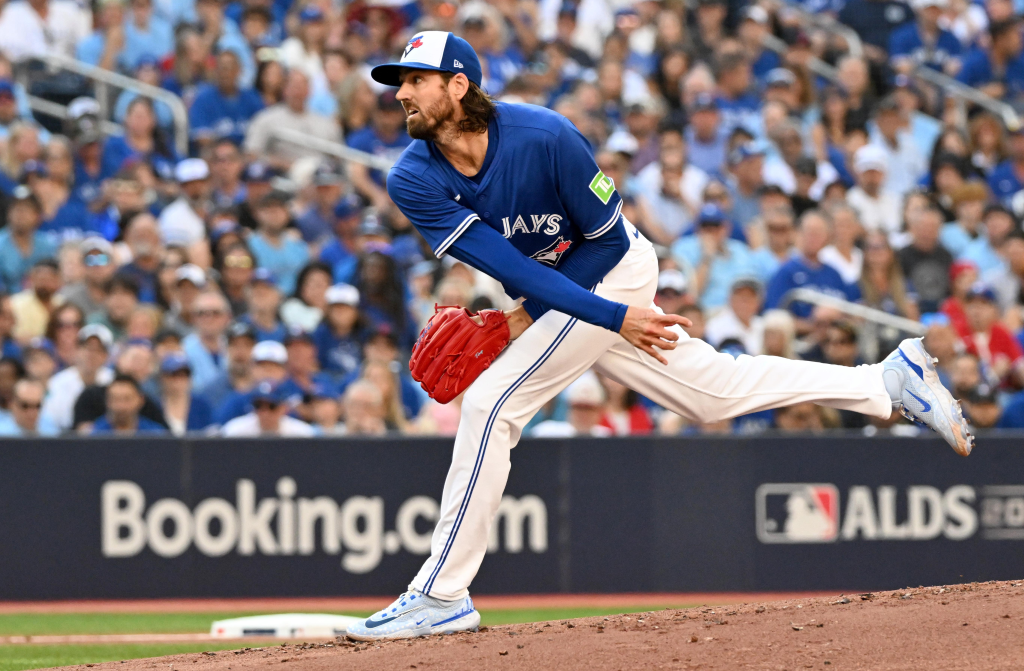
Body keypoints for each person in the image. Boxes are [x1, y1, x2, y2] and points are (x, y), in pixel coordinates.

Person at [344, 31, 972, 642]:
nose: (402, 93)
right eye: (400, 82)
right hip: (560, 296)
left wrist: (606, 315)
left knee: (490, 405)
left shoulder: (547, 136)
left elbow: (607, 245)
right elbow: (511, 267)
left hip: (615, 271)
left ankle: (442, 595)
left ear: (459, 86)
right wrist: (545, 316)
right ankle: (883, 382)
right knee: (711, 394)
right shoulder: (412, 177)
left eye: (416, 80)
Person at [40, 324, 114, 432]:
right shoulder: (58, 383)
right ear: (77, 350)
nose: (91, 355)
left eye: (98, 350)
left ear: (106, 355)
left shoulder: (113, 381)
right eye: (87, 348)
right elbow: (50, 420)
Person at [188, 49, 264, 149]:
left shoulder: (252, 98)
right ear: (215, 71)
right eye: (221, 68)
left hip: (246, 153)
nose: (225, 73)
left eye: (229, 68)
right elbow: (201, 138)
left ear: (239, 71)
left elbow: (263, 131)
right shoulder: (203, 98)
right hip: (215, 154)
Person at [0, 187, 57, 293]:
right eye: (17, 208)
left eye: (26, 209)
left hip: (43, 298)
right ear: (8, 213)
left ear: (37, 215)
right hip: (7, 300)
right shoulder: (1, 244)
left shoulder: (48, 245)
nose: (21, 214)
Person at [220, 379, 315, 436]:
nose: (264, 413)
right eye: (258, 406)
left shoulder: (302, 433)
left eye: (272, 406)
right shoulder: (235, 431)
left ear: (284, 408)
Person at [158, 352, 212, 435]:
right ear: (164, 378)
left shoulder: (202, 405)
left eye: (184, 376)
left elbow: (211, 432)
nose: (179, 381)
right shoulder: (155, 406)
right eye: (174, 375)